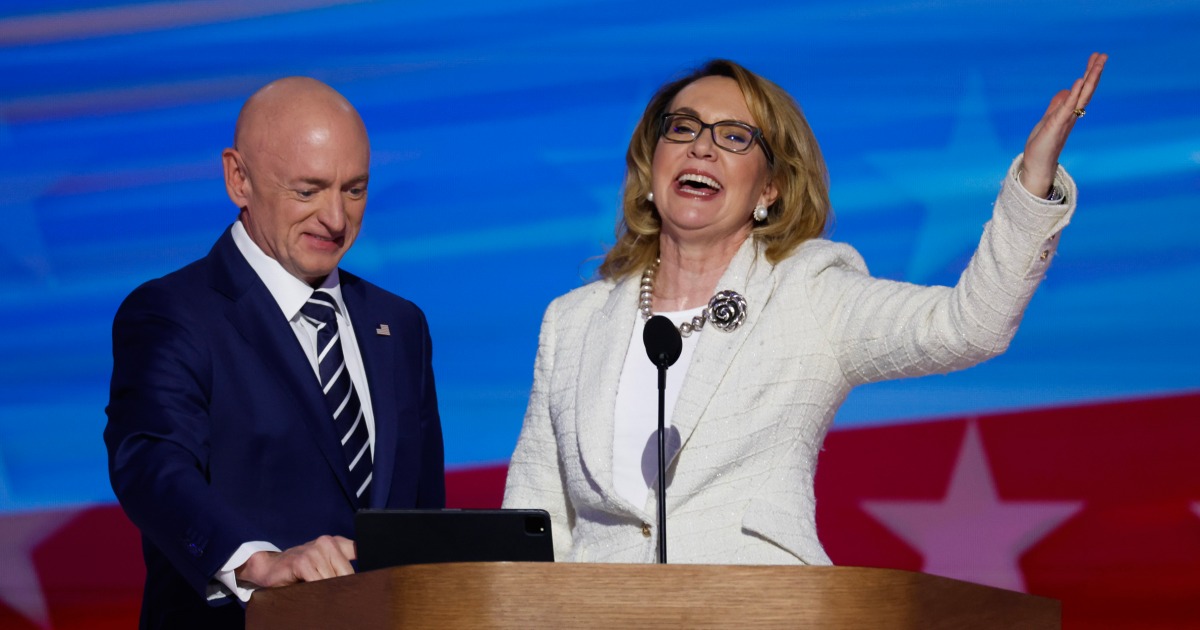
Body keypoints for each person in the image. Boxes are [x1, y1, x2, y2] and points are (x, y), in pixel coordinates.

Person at [503, 54, 1106, 565]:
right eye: (682, 128)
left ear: (769, 188)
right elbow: (534, 523)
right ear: (652, 161)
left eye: (734, 137)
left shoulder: (809, 293)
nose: (702, 147)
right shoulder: (574, 322)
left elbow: (969, 326)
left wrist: (1033, 185)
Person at [104, 77, 445, 628]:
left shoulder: (401, 324)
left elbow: (424, 519)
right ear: (238, 178)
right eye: (307, 192)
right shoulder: (173, 313)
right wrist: (256, 562)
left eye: (354, 190)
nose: (336, 219)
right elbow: (152, 465)